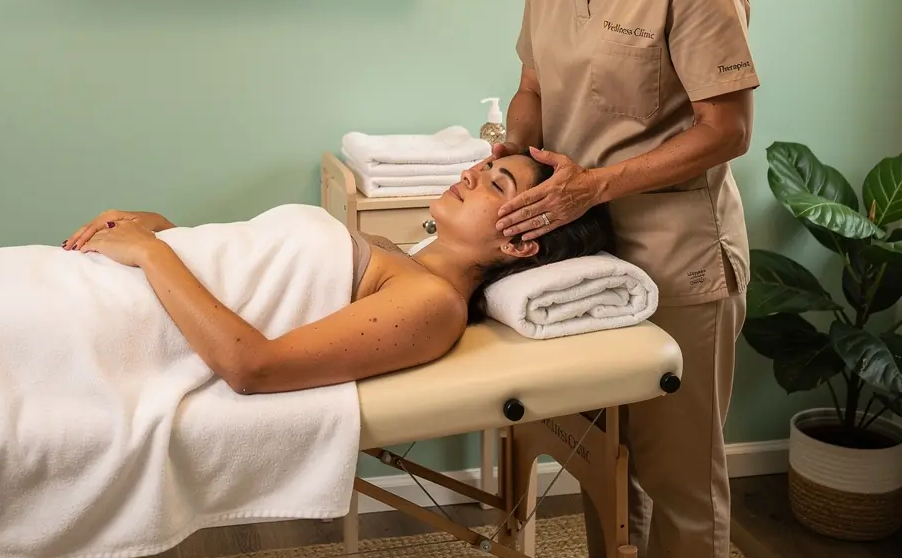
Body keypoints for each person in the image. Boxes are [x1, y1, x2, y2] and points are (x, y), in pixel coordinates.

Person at [490, 0, 759, 558]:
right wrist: (515, 156)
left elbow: (729, 130)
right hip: (581, 246)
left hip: (677, 249)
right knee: (608, 464)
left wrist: (595, 184)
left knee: (679, 476)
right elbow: (533, 86)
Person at [51, 150, 613, 393]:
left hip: (101, 318)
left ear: (521, 246)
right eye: (487, 165)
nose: (471, 174)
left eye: (497, 184)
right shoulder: (391, 253)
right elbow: (250, 275)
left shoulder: (433, 304)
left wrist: (153, 253)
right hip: (94, 276)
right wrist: (161, 229)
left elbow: (253, 368)